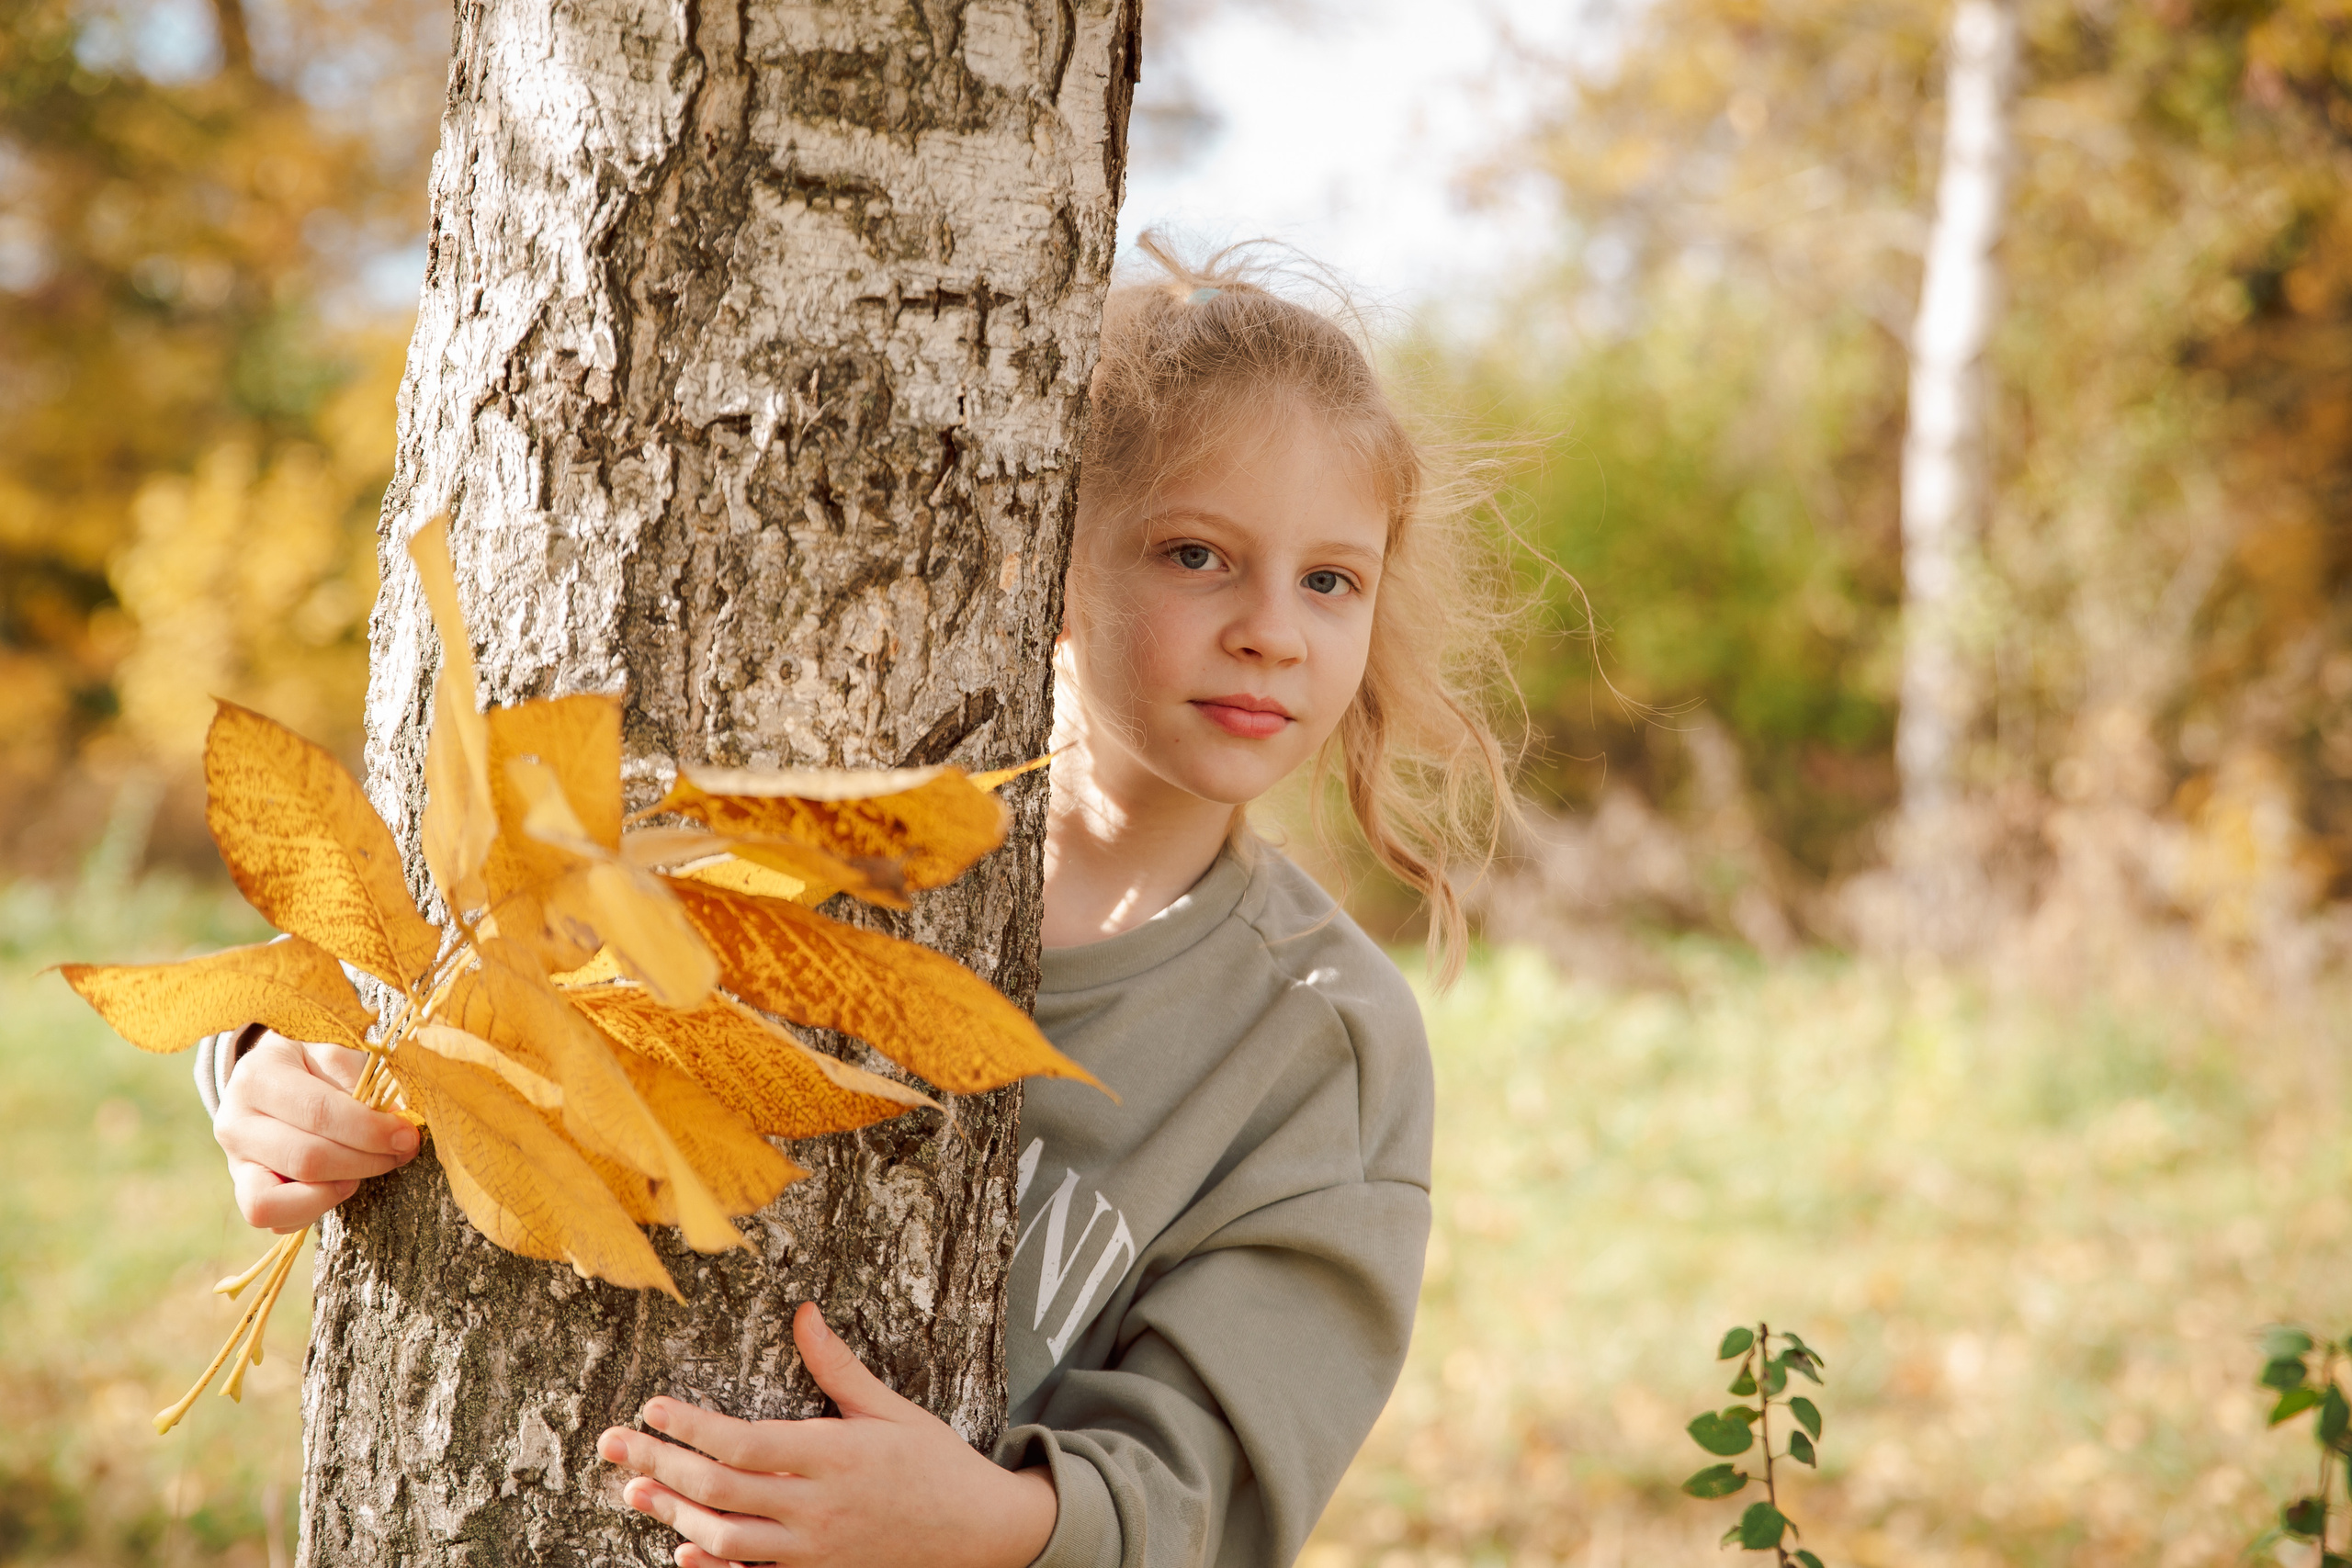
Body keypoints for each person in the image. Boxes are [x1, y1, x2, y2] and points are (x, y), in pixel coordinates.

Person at [196, 235, 1521, 1568]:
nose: (1273, 630)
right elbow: (451, 955)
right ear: (1049, 547)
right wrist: (274, 1072)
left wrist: (998, 1525)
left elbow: (1220, 1486)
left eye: (1330, 579)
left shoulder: (1317, 1039)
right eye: (1195, 555)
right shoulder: (806, 826)